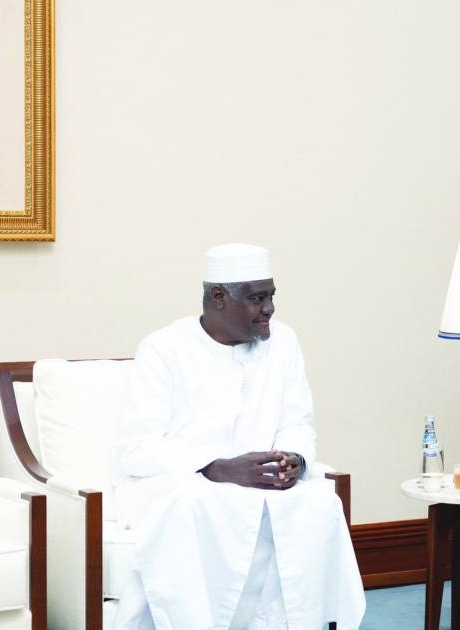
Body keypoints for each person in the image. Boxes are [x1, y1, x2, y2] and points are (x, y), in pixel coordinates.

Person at [113, 243, 365, 630]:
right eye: (256, 299)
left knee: (318, 501)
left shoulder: (284, 342)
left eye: (271, 297)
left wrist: (295, 459)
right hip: (185, 484)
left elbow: (298, 421)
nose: (269, 309)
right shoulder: (163, 349)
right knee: (193, 505)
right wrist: (218, 468)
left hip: (263, 484)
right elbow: (137, 448)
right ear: (218, 298)